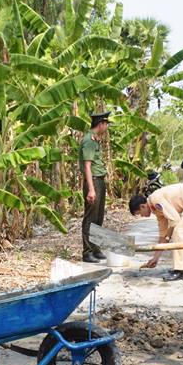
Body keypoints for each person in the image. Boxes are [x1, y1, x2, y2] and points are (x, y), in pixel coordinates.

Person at [130, 182, 183, 282]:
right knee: (182, 233)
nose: (141, 216)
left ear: (143, 206)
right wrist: (155, 258)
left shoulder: (155, 200)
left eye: (139, 213)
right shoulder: (157, 210)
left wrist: (169, 235)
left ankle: (180, 270)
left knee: (179, 232)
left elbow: (175, 220)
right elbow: (162, 236)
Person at [80, 111, 111, 263]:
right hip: (93, 181)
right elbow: (87, 166)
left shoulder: (96, 140)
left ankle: (96, 248)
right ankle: (87, 252)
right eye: (106, 124)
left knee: (98, 218)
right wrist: (91, 189)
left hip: (99, 180)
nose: (107, 127)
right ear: (101, 124)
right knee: (90, 218)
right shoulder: (89, 141)